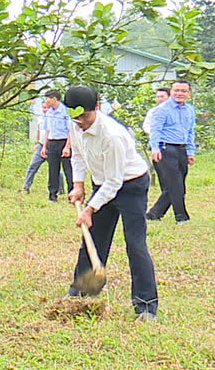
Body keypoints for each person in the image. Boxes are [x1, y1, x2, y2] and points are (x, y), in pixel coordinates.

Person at [63, 85, 158, 320]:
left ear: (97, 107)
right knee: (93, 239)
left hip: (130, 186)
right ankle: (82, 292)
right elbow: (78, 155)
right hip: (101, 185)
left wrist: (89, 209)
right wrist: (78, 184)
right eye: (75, 118)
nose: (80, 122)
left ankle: (146, 306)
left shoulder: (112, 135)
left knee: (135, 244)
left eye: (84, 117)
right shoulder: (76, 123)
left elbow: (114, 182)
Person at [146, 80, 196, 224]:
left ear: (188, 93)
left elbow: (190, 132)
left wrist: (190, 152)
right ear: (171, 92)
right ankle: (181, 217)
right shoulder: (162, 109)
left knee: (176, 184)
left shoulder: (189, 110)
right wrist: (155, 148)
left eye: (183, 91)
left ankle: (154, 213)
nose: (180, 93)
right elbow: (155, 130)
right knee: (176, 185)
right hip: (165, 149)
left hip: (182, 149)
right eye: (176, 90)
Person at [41, 89, 74, 202]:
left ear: (54, 99)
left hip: (64, 141)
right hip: (52, 142)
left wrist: (67, 147)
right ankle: (52, 194)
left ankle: (71, 194)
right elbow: (47, 131)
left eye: (47, 98)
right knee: (53, 170)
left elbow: (71, 131)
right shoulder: (48, 113)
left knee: (68, 170)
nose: (46, 101)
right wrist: (44, 146)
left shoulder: (66, 112)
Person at [142, 87, 170, 189]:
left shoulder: (175, 111)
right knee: (162, 174)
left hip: (172, 146)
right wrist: (155, 133)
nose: (160, 99)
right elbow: (146, 126)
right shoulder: (153, 112)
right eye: (158, 97)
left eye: (162, 96)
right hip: (158, 145)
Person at [22, 97, 50, 194]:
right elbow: (39, 131)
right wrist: (38, 143)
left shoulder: (53, 119)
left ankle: (60, 189)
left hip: (51, 146)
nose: (44, 110)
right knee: (33, 166)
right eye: (43, 107)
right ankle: (26, 187)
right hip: (41, 145)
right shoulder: (40, 119)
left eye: (46, 108)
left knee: (55, 170)